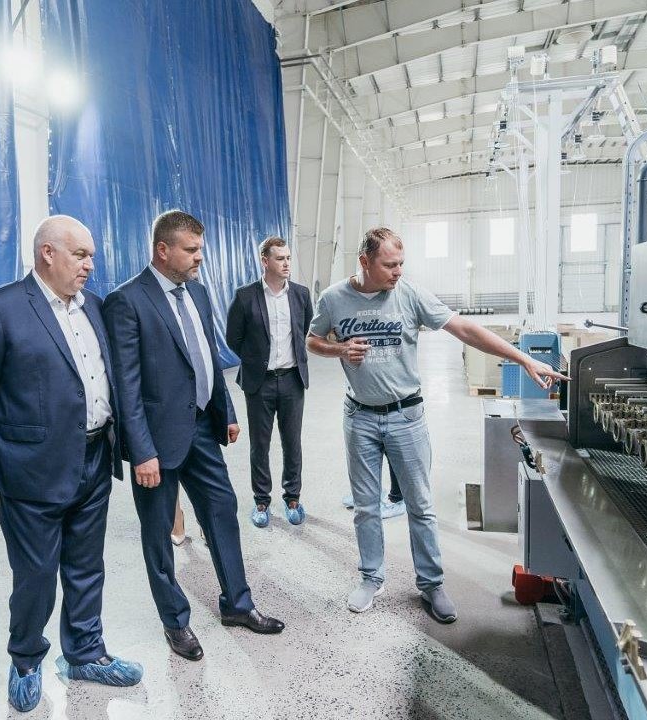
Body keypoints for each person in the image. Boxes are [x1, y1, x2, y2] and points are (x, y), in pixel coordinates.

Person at [308, 226, 567, 623]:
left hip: (406, 417)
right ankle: (371, 577)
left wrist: (524, 359)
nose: (398, 271)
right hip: (360, 417)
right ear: (364, 262)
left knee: (420, 506)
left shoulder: (410, 294)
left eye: (401, 264)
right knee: (365, 506)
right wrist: (339, 349)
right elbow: (312, 340)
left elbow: (464, 329)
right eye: (389, 265)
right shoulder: (333, 298)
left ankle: (431, 583)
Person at [0, 216, 143, 712]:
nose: (90, 264)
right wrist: (17, 426)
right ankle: (25, 660)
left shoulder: (94, 306)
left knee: (87, 565)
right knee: (35, 575)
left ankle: (85, 653)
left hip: (94, 457)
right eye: (80, 254)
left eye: (92, 255)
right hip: (32, 467)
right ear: (47, 253)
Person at [104, 209, 284, 662]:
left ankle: (237, 604)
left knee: (222, 510)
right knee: (158, 533)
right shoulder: (127, 301)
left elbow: (209, 358)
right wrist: (141, 450)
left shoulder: (198, 293)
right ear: (162, 250)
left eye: (200, 249)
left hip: (202, 427)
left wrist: (225, 411)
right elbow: (125, 385)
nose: (199, 257)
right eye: (191, 250)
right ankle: (175, 621)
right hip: (156, 443)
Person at [225, 236, 312, 528]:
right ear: (265, 261)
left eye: (288, 258)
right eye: (280, 258)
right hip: (259, 383)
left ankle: (293, 498)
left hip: (292, 380)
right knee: (260, 445)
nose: (286, 263)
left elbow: (304, 329)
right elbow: (233, 338)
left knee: (292, 442)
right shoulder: (245, 296)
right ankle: (261, 501)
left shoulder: (300, 295)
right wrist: (256, 361)